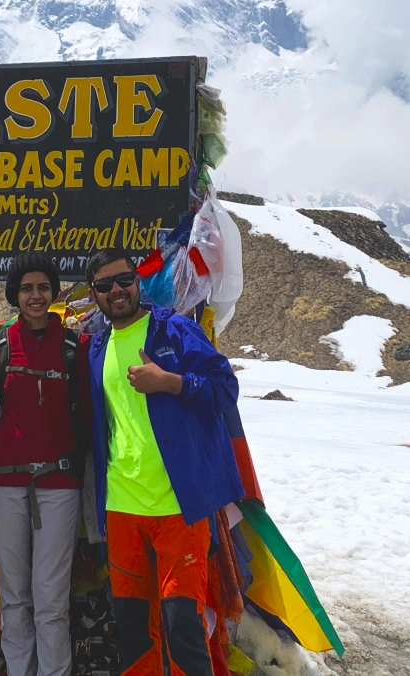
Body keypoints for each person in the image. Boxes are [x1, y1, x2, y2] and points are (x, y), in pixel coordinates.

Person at [84, 248, 244, 676]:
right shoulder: (96, 348)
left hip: (178, 506)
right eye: (104, 285)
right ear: (94, 294)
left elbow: (224, 389)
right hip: (121, 506)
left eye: (124, 280)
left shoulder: (175, 330)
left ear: (138, 282)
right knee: (132, 628)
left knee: (183, 626)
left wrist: (171, 382)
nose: (117, 290)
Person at [0, 252, 91, 676]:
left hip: (59, 484)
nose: (35, 295)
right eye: (26, 288)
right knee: (13, 595)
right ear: (14, 294)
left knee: (51, 596)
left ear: (54, 292)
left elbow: (88, 418)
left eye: (43, 287)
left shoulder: (75, 346)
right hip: (3, 485)